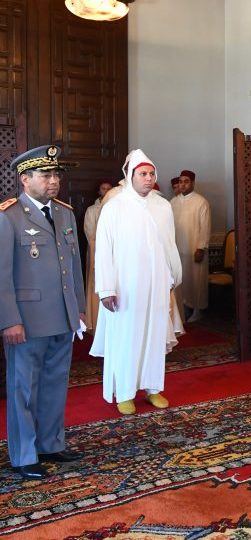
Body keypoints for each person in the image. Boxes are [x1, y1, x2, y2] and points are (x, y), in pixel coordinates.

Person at [0, 144, 86, 479]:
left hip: (62, 316)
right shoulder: (8, 216)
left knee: (54, 383)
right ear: (25, 179)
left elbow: (74, 266)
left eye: (56, 174)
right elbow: (2, 275)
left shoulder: (65, 212)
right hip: (27, 320)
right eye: (45, 174)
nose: (54, 181)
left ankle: (51, 443)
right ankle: (24, 455)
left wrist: (77, 309)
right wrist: (9, 319)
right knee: (23, 388)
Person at [91, 149, 182, 415]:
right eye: (142, 173)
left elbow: (169, 246)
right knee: (127, 339)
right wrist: (106, 288)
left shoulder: (163, 206)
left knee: (153, 337)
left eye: (151, 173)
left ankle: (153, 388)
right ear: (130, 176)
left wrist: (173, 276)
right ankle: (125, 392)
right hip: (125, 288)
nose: (148, 178)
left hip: (156, 286)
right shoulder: (114, 207)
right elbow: (104, 250)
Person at [172, 169, 210, 323]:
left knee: (196, 280)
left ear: (193, 183)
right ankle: (183, 308)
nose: (183, 184)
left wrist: (201, 247)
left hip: (194, 248)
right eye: (180, 182)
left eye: (186, 181)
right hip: (177, 249)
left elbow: (205, 226)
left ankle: (197, 310)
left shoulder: (201, 202)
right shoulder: (173, 202)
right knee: (181, 280)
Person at [83, 180, 113, 333]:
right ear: (99, 191)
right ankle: (94, 319)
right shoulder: (92, 210)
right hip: (96, 250)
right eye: (103, 188)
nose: (106, 191)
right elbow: (90, 234)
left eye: (109, 188)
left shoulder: (116, 207)